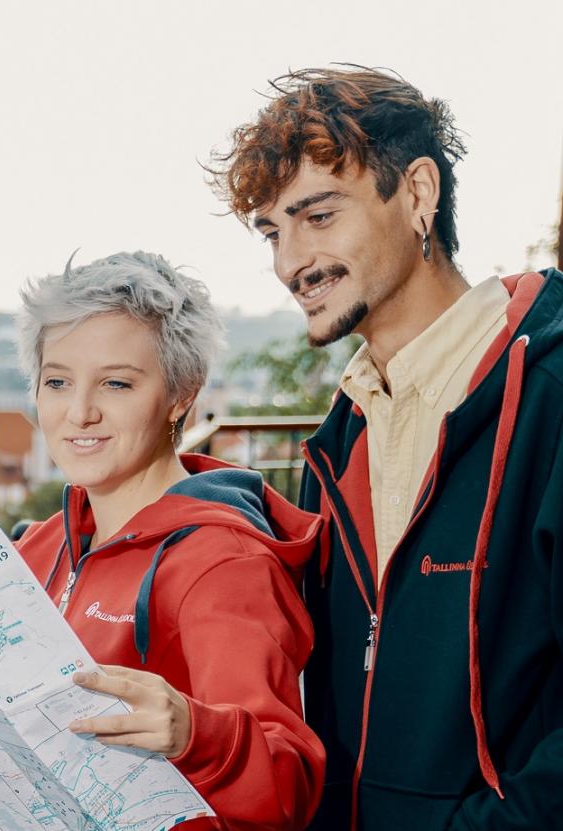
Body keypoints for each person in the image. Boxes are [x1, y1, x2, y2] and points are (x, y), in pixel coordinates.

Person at [211, 66, 563, 830]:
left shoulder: (550, 395)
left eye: (317, 216)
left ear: (417, 193)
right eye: (274, 230)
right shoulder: (342, 437)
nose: (288, 262)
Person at [11, 251, 325, 830]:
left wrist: (195, 735)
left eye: (116, 383)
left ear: (181, 395)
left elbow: (289, 787)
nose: (79, 412)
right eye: (57, 381)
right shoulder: (45, 544)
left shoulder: (224, 566)